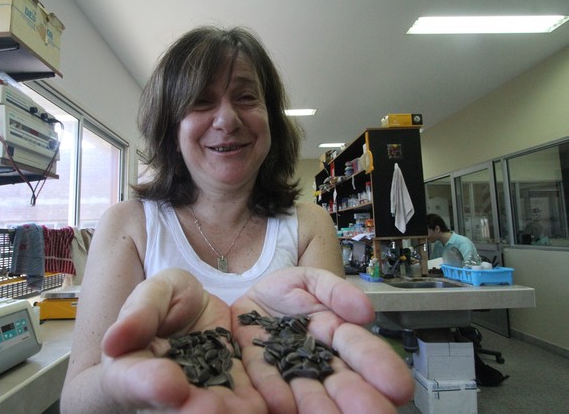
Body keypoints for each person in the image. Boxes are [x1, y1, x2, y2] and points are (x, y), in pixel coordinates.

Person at [60, 26, 413, 413]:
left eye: (246, 97)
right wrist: (126, 373)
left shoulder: (310, 225)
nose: (227, 119)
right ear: (170, 125)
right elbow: (76, 401)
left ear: (271, 118)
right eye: (201, 101)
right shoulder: (127, 226)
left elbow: (328, 362)